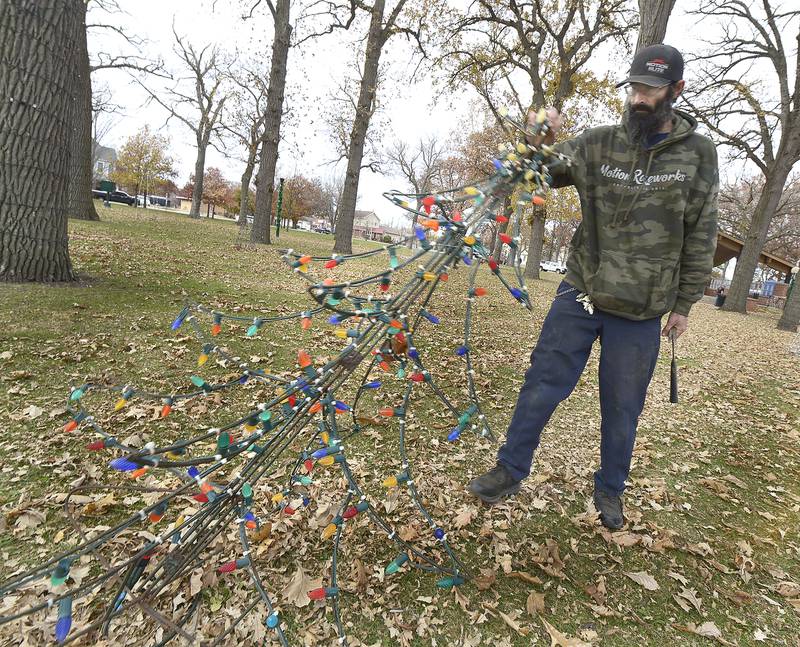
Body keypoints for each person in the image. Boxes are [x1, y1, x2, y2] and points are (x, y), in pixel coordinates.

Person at [468, 44, 719, 529]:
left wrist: (685, 302)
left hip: (643, 308)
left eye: (650, 89)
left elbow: (702, 230)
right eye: (634, 87)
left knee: (623, 409)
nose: (639, 98)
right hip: (582, 290)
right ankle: (510, 469)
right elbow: (534, 169)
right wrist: (538, 136)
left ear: (677, 90)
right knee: (542, 383)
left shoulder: (698, 154)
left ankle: (610, 491)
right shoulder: (598, 144)